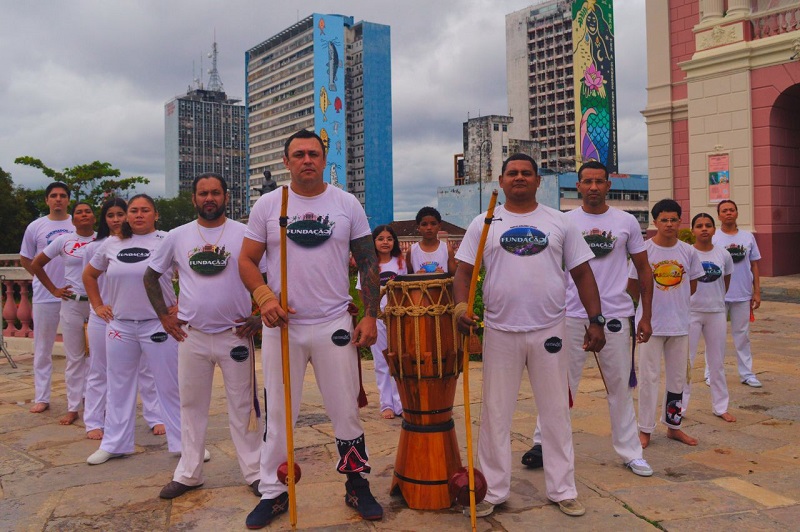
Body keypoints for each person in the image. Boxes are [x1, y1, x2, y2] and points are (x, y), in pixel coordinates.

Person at [239, 129, 382, 528]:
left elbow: (368, 261)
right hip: (283, 325)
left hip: (333, 322)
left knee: (345, 410)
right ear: (286, 162)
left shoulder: (346, 203)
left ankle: (356, 483)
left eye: (314, 154)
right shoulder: (269, 204)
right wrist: (265, 298)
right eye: (299, 154)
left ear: (324, 159)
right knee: (278, 413)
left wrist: (370, 314)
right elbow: (247, 260)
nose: (307, 160)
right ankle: (273, 491)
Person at [454, 153, 605, 518]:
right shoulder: (484, 222)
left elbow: (583, 273)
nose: (519, 177)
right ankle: (492, 490)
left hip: (549, 330)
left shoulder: (559, 221)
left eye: (526, 173)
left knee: (555, 412)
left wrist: (596, 319)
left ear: (539, 181)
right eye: (512, 173)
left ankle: (563, 489)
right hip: (500, 330)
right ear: (501, 181)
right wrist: (460, 307)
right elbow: (463, 271)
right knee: (495, 413)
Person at [525, 161, 654, 477]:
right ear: (578, 186)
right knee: (559, 384)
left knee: (619, 386)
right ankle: (543, 443)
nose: (593, 187)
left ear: (608, 185)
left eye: (599, 181)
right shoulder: (564, 221)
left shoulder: (626, 222)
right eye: (588, 182)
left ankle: (630, 451)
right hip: (570, 314)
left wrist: (645, 315)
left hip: (615, 315)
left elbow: (643, 269)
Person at [145, 173, 264, 499]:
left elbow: (269, 275)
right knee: (191, 406)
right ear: (194, 198)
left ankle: (255, 472)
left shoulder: (245, 234)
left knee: (244, 406)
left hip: (235, 335)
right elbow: (150, 276)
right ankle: (189, 473)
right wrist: (164, 316)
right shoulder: (177, 236)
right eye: (202, 193)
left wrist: (259, 317)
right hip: (192, 336)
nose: (209, 198)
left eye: (215, 193)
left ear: (226, 196)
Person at [83, 194, 182, 465]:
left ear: (156, 214)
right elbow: (89, 275)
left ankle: (184, 443)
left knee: (170, 385)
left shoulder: (168, 240)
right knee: (118, 386)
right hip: (121, 326)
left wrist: (182, 304)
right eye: (134, 210)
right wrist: (98, 305)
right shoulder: (112, 243)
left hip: (159, 324)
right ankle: (115, 444)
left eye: (145, 210)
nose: (139, 215)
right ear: (127, 215)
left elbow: (187, 272)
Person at [629, 199, 704, 449]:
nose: (669, 224)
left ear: (680, 221)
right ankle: (645, 429)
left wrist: (675, 303)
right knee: (648, 378)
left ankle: (673, 425)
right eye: (664, 220)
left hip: (679, 324)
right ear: (655, 222)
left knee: (678, 379)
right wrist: (646, 311)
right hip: (650, 325)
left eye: (673, 220)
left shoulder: (688, 251)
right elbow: (633, 286)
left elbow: (692, 285)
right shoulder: (644, 250)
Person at [30, 202, 96, 425]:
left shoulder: (104, 240)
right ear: (73, 219)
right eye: (79, 212)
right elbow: (36, 264)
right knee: (74, 357)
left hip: (97, 305)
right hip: (72, 304)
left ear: (94, 217)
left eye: (88, 211)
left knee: (97, 358)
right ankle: (73, 407)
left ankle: (94, 404)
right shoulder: (64, 240)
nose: (84, 215)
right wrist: (54, 289)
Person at [19, 181, 75, 414]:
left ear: (68, 199)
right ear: (47, 200)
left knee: (78, 350)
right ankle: (42, 396)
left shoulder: (77, 223)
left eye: (62, 195)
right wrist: (43, 281)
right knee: (43, 348)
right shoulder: (36, 226)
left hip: (74, 296)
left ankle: (79, 396)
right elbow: (26, 258)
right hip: (45, 295)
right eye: (53, 195)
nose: (58, 199)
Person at [682, 213, 735, 421]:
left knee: (717, 362)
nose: (704, 229)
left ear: (714, 229)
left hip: (716, 313)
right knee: (685, 362)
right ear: (693, 230)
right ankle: (679, 409)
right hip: (691, 313)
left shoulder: (724, 255)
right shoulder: (687, 253)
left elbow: (726, 281)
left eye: (708, 225)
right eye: (699, 225)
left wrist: (717, 300)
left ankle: (721, 407)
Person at [713, 199, 762, 388]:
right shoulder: (714, 238)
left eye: (731, 210)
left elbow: (754, 265)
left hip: (742, 294)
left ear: (737, 213)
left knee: (742, 336)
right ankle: (711, 374)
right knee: (715, 337)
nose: (728, 213)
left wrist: (756, 292)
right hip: (719, 295)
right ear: (719, 215)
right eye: (724, 210)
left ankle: (747, 374)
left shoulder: (748, 237)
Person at [356, 224, 403, 419]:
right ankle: (386, 404)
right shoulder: (369, 266)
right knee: (382, 361)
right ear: (373, 242)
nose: (385, 242)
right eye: (381, 239)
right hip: (378, 320)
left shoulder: (401, 263)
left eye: (389, 239)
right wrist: (371, 313)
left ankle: (400, 403)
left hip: (399, 319)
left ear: (394, 242)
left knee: (398, 360)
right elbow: (361, 291)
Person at [406, 206, 456, 274]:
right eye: (424, 224)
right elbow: (407, 276)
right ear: (418, 228)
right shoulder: (412, 251)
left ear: (439, 226)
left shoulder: (447, 250)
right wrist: (417, 276)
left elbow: (454, 276)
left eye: (433, 224)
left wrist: (443, 275)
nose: (429, 228)